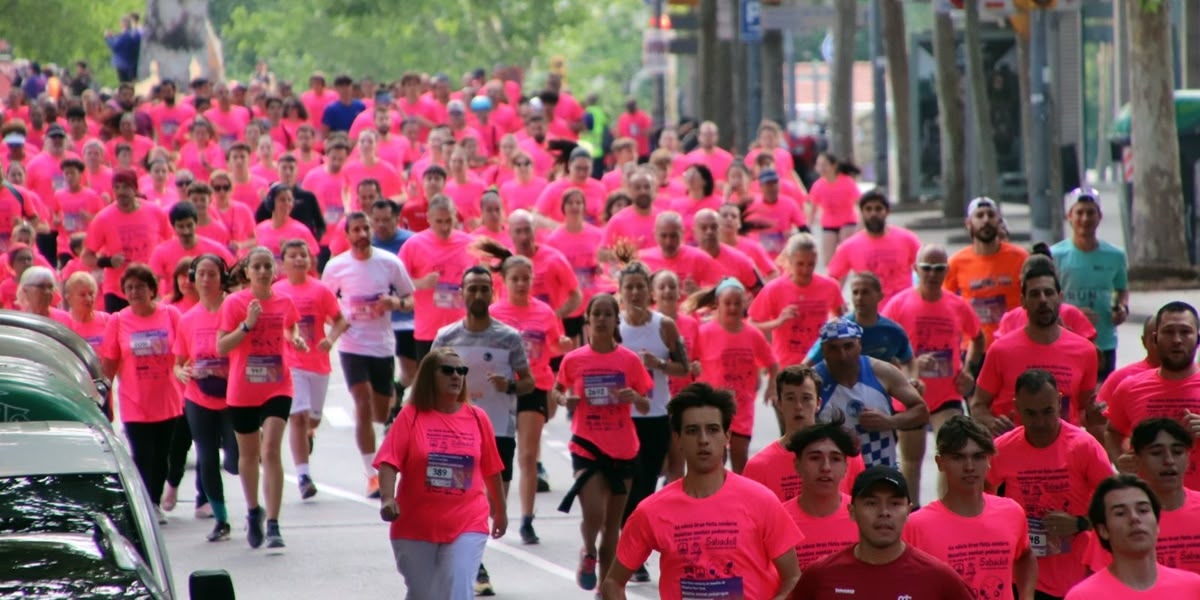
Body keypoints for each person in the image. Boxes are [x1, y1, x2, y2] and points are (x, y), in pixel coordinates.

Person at [600, 382, 803, 600]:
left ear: (727, 436)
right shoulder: (651, 510)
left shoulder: (761, 500)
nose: (703, 440)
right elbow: (613, 582)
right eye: (692, 431)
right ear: (678, 439)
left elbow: (792, 576)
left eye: (713, 429)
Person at [432, 266, 534, 596]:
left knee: (491, 500)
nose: (478, 295)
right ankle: (475, 566)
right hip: (456, 430)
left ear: (493, 293)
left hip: (498, 431)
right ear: (462, 293)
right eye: (472, 288)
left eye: (484, 289)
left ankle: (469, 559)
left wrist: (511, 386)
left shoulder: (509, 337)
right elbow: (428, 381)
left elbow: (530, 382)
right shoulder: (447, 337)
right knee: (464, 499)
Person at [374, 348, 507, 600]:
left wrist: (500, 510)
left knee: (458, 586)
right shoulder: (411, 417)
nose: (456, 376)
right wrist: (388, 499)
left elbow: (491, 469)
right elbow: (388, 462)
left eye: (461, 371)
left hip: (468, 521)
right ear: (429, 376)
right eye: (447, 370)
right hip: (415, 525)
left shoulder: (478, 418)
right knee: (424, 593)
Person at [555, 293, 653, 591]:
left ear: (615, 320)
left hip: (623, 448)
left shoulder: (629, 360)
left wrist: (634, 398)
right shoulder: (574, 359)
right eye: (595, 314)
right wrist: (565, 400)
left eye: (607, 314)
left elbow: (647, 403)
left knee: (613, 525)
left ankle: (604, 589)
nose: (601, 319)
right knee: (594, 514)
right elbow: (556, 391)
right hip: (587, 444)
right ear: (588, 320)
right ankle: (588, 550)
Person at [987, 369, 1114, 599]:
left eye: (1048, 411)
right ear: (1015, 407)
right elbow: (982, 499)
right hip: (1024, 578)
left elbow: (1115, 500)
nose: (1040, 422)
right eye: (1030, 413)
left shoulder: (1083, 446)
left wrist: (1079, 523)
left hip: (1077, 576)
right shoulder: (1002, 449)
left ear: (1059, 400)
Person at [216, 247, 307, 549]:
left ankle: (274, 523)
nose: (264, 271)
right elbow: (222, 347)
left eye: (268, 266)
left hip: (277, 384)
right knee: (249, 455)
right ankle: (254, 509)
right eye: (258, 267)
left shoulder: (284, 300)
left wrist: (295, 338)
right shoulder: (234, 303)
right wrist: (247, 324)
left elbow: (290, 325)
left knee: (270, 450)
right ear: (247, 272)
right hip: (243, 387)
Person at [321, 212, 415, 497]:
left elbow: (411, 299)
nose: (362, 233)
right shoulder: (336, 267)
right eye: (356, 229)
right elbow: (322, 303)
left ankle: (380, 424)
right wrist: (338, 320)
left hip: (382, 346)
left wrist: (395, 302)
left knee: (381, 412)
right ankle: (372, 475)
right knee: (362, 402)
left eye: (366, 228)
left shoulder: (389, 263)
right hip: (352, 345)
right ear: (347, 235)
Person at [881, 244, 983, 504]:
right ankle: (912, 513)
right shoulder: (898, 304)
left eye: (939, 269)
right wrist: (908, 366)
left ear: (946, 271)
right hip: (910, 395)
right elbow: (883, 348)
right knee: (911, 460)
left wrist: (969, 370)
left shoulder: (957, 305)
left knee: (952, 451)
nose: (932, 275)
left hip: (947, 394)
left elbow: (978, 339)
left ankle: (946, 510)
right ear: (916, 269)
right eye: (927, 268)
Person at [488, 254, 575, 545]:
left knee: (527, 455)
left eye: (527, 278)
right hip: (500, 392)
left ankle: (526, 519)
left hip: (534, 386)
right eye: (516, 279)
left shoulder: (544, 312)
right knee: (499, 458)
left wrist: (561, 345)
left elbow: (553, 345)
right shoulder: (495, 313)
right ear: (505, 282)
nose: (522, 284)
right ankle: (496, 513)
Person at [903, 416, 1037, 600]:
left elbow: (1025, 555)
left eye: (978, 457)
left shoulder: (1012, 512)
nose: (969, 467)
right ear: (940, 462)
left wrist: (1026, 596)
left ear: (989, 460)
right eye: (958, 458)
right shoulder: (916, 526)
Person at [614, 260, 690, 584]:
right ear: (620, 292)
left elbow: (683, 367)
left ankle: (636, 549)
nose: (634, 292)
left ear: (649, 290)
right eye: (628, 287)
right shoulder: (613, 325)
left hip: (656, 415)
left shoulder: (664, 325)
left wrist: (657, 363)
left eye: (640, 286)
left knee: (645, 487)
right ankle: (632, 553)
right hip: (620, 419)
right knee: (627, 486)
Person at [792, 465, 974, 599]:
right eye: (871, 503)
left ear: (908, 511)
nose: (884, 512)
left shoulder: (939, 579)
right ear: (852, 512)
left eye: (894, 504)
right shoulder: (820, 576)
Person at [970, 257, 1099, 434]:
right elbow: (978, 405)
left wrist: (1096, 417)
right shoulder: (1001, 350)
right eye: (1035, 294)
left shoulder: (1085, 351)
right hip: (1013, 453)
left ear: (1060, 298)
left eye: (1049, 293)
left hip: (1064, 455)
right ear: (1023, 301)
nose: (1043, 300)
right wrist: (991, 423)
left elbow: (1085, 410)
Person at [100, 265, 183, 521]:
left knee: (161, 455)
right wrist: (103, 394)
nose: (135, 292)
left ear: (152, 290)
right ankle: (143, 503)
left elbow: (184, 351)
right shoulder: (118, 320)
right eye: (129, 288)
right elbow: (110, 362)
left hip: (167, 397)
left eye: (140, 287)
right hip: (134, 400)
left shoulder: (170, 315)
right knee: (141, 454)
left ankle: (154, 502)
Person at [274, 240, 349, 499]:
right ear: (282, 263)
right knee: (298, 415)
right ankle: (304, 476)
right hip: (291, 363)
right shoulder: (277, 291)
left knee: (312, 419)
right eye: (292, 256)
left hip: (318, 363)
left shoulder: (320, 291)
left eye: (302, 255)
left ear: (310, 260)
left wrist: (331, 339)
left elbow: (340, 321)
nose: (298, 260)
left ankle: (309, 434)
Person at [173, 255, 239, 541]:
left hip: (233, 396)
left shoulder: (233, 311)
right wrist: (182, 373)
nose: (205, 280)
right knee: (207, 458)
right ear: (192, 277)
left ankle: (253, 507)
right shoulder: (187, 319)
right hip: (198, 397)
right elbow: (178, 362)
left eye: (212, 274)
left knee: (235, 460)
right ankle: (221, 519)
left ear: (221, 278)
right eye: (200, 274)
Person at [1086, 418, 1200, 574]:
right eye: (1156, 453)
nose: (1169, 460)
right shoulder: (1117, 518)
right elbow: (1096, 584)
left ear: (1188, 459)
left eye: (1178, 452)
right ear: (1135, 459)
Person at [1106, 302, 1200, 487]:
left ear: (1198, 338)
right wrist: (1120, 461)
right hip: (1148, 507)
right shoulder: (1130, 388)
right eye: (1169, 332)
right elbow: (1112, 431)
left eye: (1185, 332)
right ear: (1155, 338)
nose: (1177, 340)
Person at [690, 278, 779, 473]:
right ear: (717, 305)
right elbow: (689, 365)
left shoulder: (753, 334)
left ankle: (738, 497)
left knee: (741, 462)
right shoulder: (704, 333)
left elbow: (772, 364)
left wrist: (771, 388)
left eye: (737, 303)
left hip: (742, 406)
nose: (732, 308)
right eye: (727, 303)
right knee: (715, 460)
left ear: (745, 304)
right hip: (712, 408)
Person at [813, 318, 928, 468]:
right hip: (834, 476)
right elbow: (795, 429)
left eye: (848, 346)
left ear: (860, 345)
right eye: (833, 348)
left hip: (881, 472)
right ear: (823, 351)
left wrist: (890, 422)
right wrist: (831, 435)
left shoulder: (882, 371)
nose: (842, 355)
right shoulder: (813, 381)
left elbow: (921, 411)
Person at [1065, 475, 1200, 598]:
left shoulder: (1193, 588)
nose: (1134, 518)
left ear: (1157, 524)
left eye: (1143, 510)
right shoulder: (1083, 596)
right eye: (1120, 513)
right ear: (1103, 530)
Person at [745, 366, 865, 502]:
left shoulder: (846, 455)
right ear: (779, 404)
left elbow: (860, 508)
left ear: (818, 403)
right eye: (790, 398)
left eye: (806, 398)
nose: (798, 406)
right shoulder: (759, 467)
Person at [1051, 187, 1129, 380]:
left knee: (1101, 399)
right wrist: (1072, 314)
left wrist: (1121, 309)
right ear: (1069, 216)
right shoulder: (1054, 255)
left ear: (1099, 216)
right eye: (1079, 212)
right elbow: (1046, 297)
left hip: (1103, 341)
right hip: (1065, 341)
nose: (1085, 219)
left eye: (1090, 212)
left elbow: (1121, 289)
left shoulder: (1115, 256)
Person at [944, 197, 1029, 357]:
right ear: (968, 223)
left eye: (991, 215)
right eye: (980, 215)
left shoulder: (1020, 258)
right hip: (974, 350)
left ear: (999, 221)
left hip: (1014, 346)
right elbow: (946, 306)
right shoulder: (956, 263)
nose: (986, 220)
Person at [397, 194, 476, 362]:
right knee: (431, 385)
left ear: (455, 217)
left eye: (448, 220)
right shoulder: (414, 245)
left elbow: (487, 278)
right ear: (429, 219)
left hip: (463, 329)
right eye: (439, 221)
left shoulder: (470, 243)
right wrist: (421, 283)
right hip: (428, 331)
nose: (445, 227)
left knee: (463, 384)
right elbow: (396, 282)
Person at [750, 232, 844, 369]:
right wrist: (778, 321)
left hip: (821, 363)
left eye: (811, 264)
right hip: (787, 365)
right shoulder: (774, 289)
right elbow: (751, 325)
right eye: (800, 264)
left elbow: (840, 318)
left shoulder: (830, 286)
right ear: (789, 261)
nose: (806, 270)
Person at [83, 168, 172, 313]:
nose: (121, 192)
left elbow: (170, 244)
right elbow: (86, 257)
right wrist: (108, 261)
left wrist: (162, 269)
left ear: (135, 188)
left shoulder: (155, 212)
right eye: (117, 187)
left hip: (150, 289)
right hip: (118, 291)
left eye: (125, 187)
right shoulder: (103, 218)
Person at [779, 417, 863, 571]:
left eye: (835, 459)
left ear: (846, 467)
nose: (825, 467)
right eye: (815, 458)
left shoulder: (863, 517)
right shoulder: (777, 520)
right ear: (797, 465)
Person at [826, 189, 921, 304]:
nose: (873, 213)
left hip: (903, 309)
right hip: (867, 315)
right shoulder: (849, 246)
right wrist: (837, 306)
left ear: (887, 211)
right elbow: (832, 279)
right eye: (868, 209)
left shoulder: (908, 240)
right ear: (862, 213)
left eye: (878, 209)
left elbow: (926, 270)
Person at [149, 202, 235, 298]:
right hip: (175, 305)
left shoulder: (215, 249)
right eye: (181, 226)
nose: (186, 231)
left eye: (189, 225)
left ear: (196, 223)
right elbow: (151, 285)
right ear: (173, 227)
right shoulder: (161, 252)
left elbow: (234, 275)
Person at [806, 152, 861, 266]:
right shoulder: (818, 185)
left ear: (834, 166)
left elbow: (859, 203)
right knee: (828, 261)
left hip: (848, 222)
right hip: (829, 224)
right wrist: (807, 228)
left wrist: (861, 224)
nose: (821, 168)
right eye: (819, 165)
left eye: (824, 165)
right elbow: (813, 209)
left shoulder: (847, 182)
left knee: (845, 250)